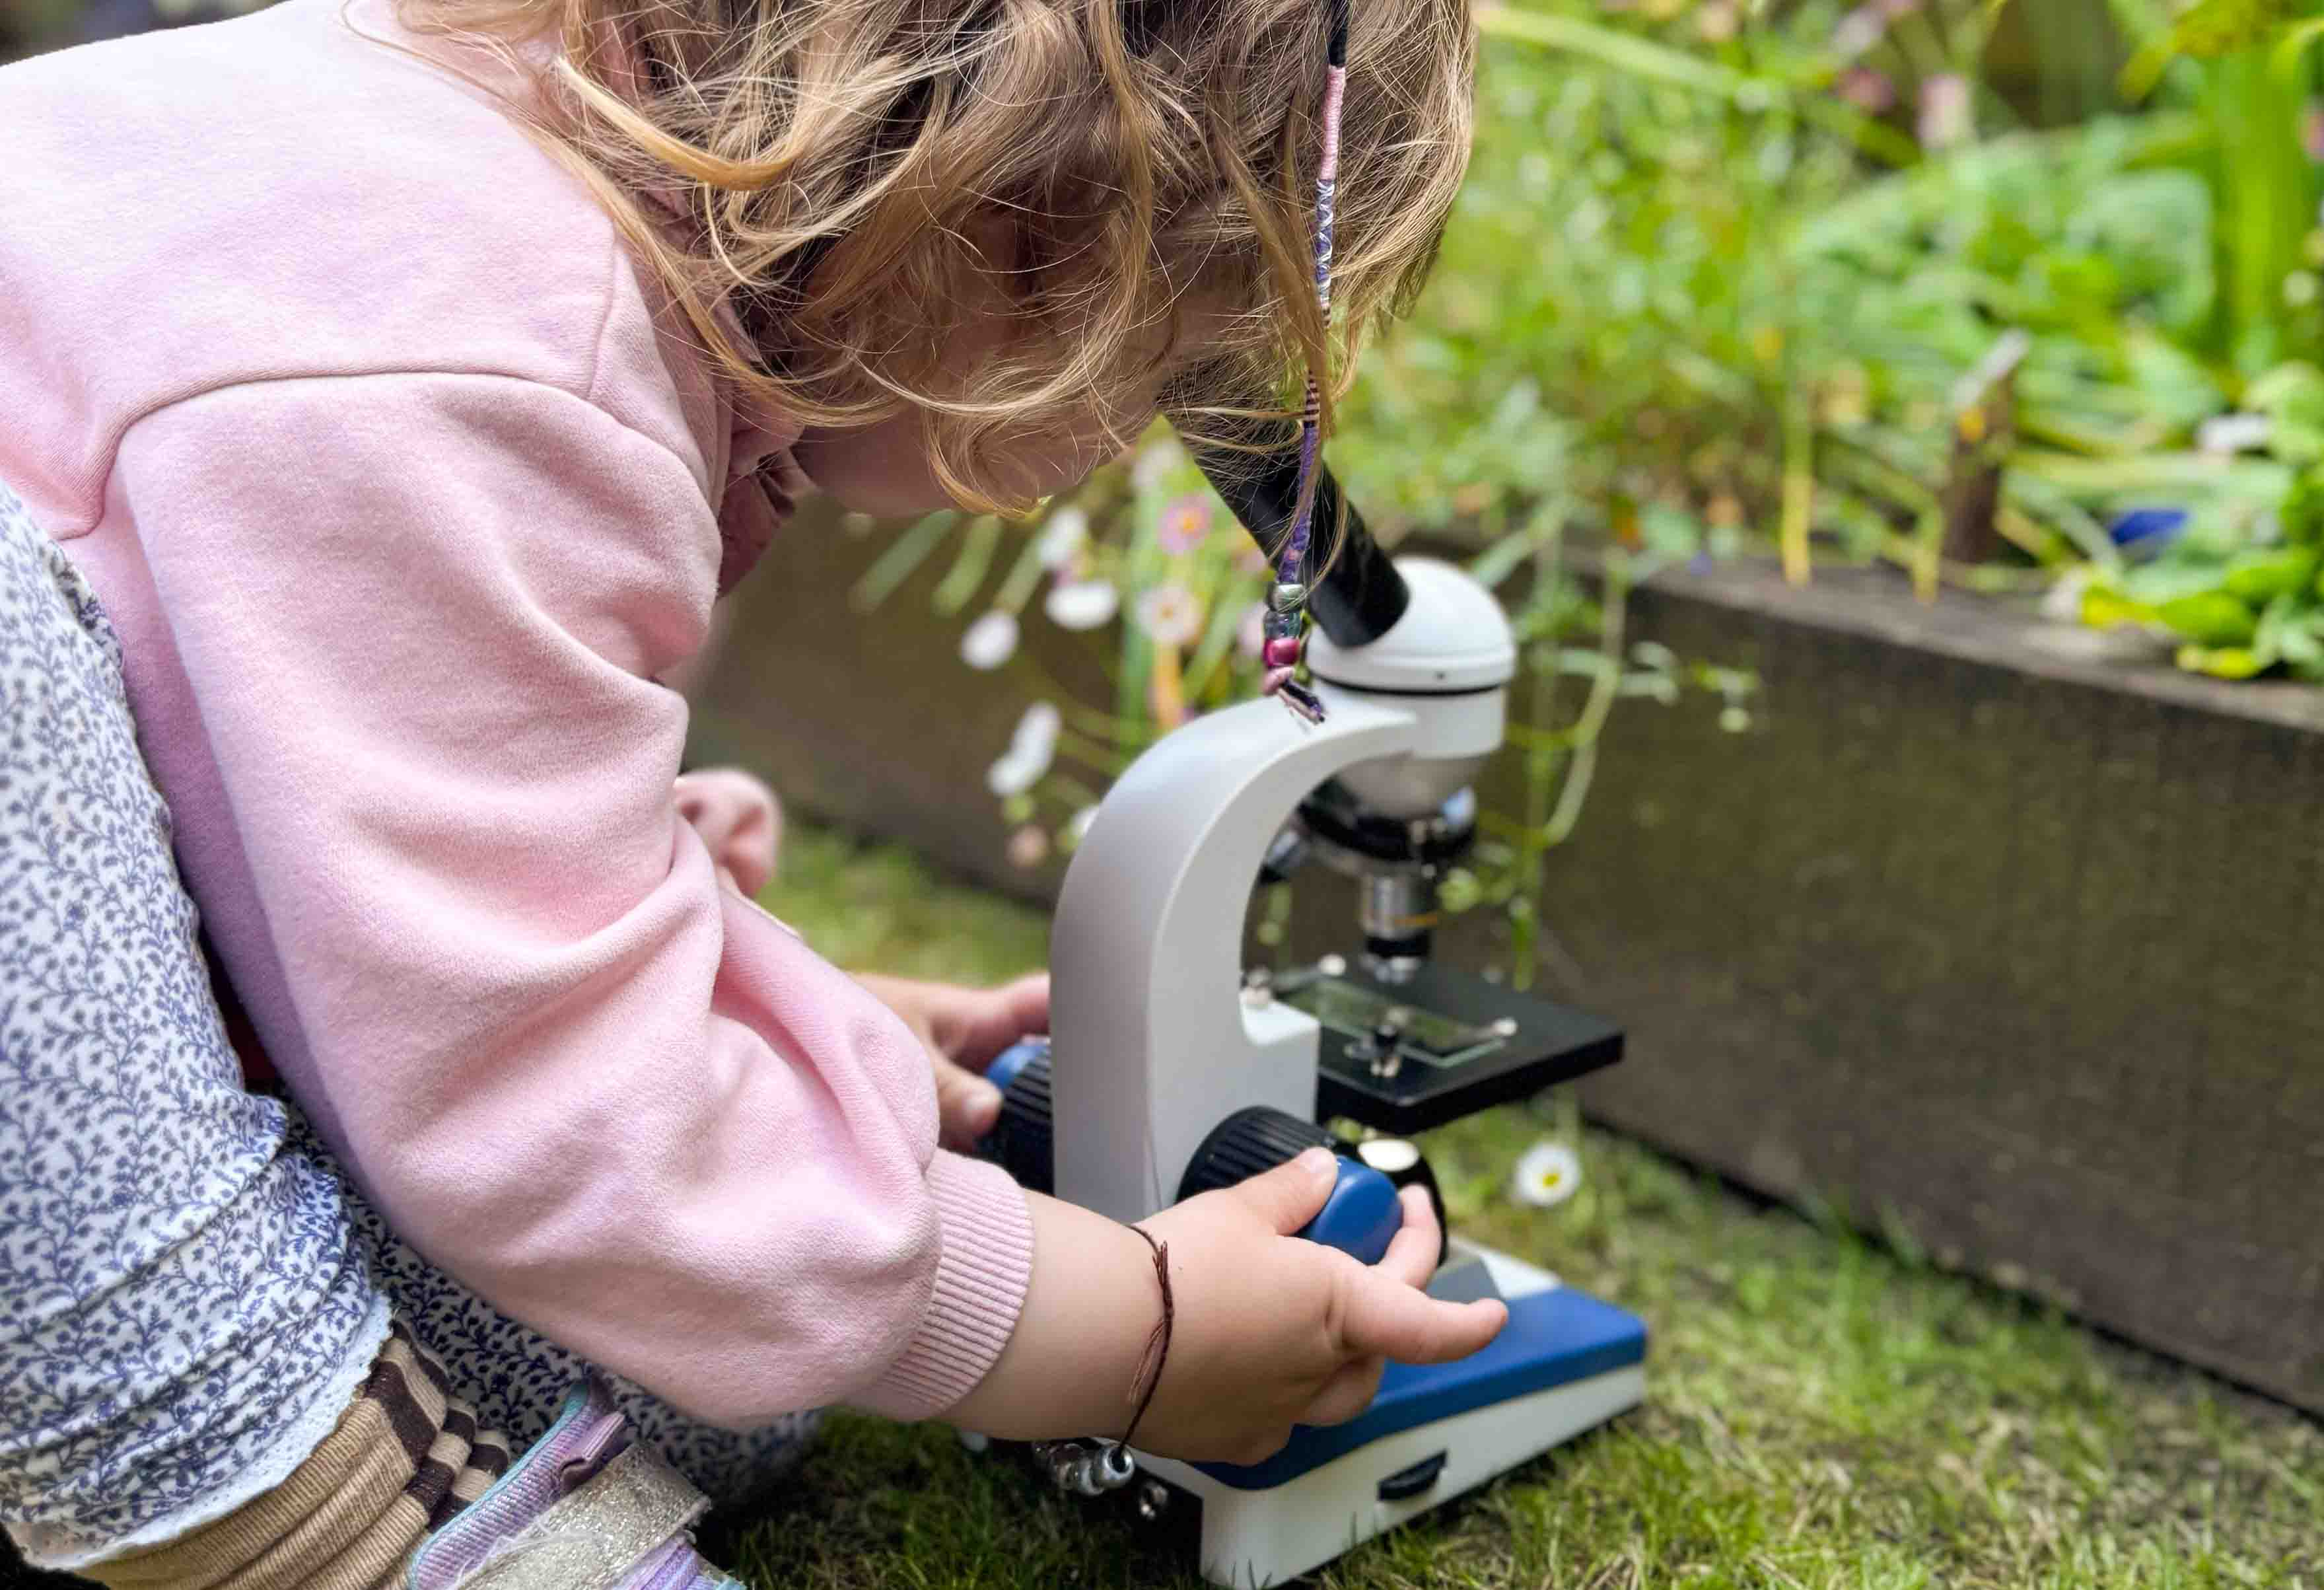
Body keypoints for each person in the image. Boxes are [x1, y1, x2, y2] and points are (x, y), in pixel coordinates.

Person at [0, 0, 1498, 1583]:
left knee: (725, 1368)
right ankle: (309, 1528)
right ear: (1031, 195)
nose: (1136, 431)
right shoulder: (487, 320)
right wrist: (1130, 1329)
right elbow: (555, 1107)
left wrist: (777, 1028)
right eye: (1166, 352)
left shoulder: (437, 172)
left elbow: (296, 849)